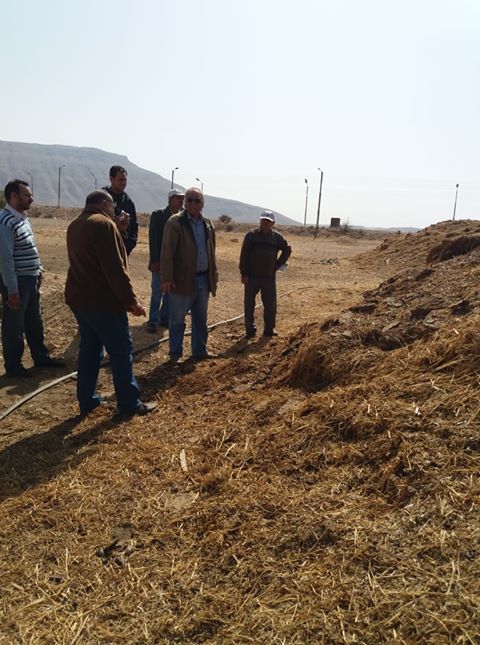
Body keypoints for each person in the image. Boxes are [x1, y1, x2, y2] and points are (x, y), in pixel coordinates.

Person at [65, 189, 156, 416]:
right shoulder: (103, 225)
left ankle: (87, 400)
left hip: (80, 300)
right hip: (103, 302)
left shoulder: (76, 224)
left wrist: (119, 229)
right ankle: (129, 404)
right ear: (104, 204)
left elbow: (101, 253)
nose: (114, 211)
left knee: (90, 350)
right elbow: (114, 269)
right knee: (121, 351)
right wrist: (131, 301)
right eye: (112, 207)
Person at [0, 179, 66, 378]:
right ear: (14, 196)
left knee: (34, 321)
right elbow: (5, 259)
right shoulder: (5, 222)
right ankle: (14, 367)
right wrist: (12, 290)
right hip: (17, 282)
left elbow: (31, 247)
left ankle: (40, 356)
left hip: (31, 279)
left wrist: (39, 269)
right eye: (27, 195)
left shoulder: (23, 219)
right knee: (14, 326)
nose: (31, 198)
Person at [160, 187, 218, 361]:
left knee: (200, 318)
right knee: (177, 318)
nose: (193, 203)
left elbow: (212, 251)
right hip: (182, 279)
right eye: (189, 199)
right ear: (185, 202)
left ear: (202, 204)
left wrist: (213, 276)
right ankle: (175, 353)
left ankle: (200, 351)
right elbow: (167, 252)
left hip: (203, 279)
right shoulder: (175, 222)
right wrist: (166, 278)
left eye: (197, 200)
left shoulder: (208, 224)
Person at [239, 210, 291, 338]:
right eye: (263, 221)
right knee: (249, 304)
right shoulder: (251, 236)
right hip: (252, 277)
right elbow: (244, 255)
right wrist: (244, 273)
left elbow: (287, 249)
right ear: (260, 221)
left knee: (270, 304)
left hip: (268, 277)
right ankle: (250, 330)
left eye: (268, 221)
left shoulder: (277, 238)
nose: (265, 223)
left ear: (273, 223)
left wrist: (278, 264)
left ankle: (269, 329)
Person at [147, 188, 184, 332]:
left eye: (182, 198)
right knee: (157, 291)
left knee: (170, 292)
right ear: (170, 200)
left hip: (175, 262)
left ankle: (165, 318)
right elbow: (153, 238)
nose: (180, 201)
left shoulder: (183, 217)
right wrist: (154, 260)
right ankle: (153, 320)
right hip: (160, 260)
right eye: (177, 198)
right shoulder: (159, 215)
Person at [103, 165, 138, 255]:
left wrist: (127, 247)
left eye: (125, 180)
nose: (123, 183)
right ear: (111, 179)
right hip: (102, 249)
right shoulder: (101, 198)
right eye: (120, 180)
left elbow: (133, 228)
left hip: (121, 252)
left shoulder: (128, 202)